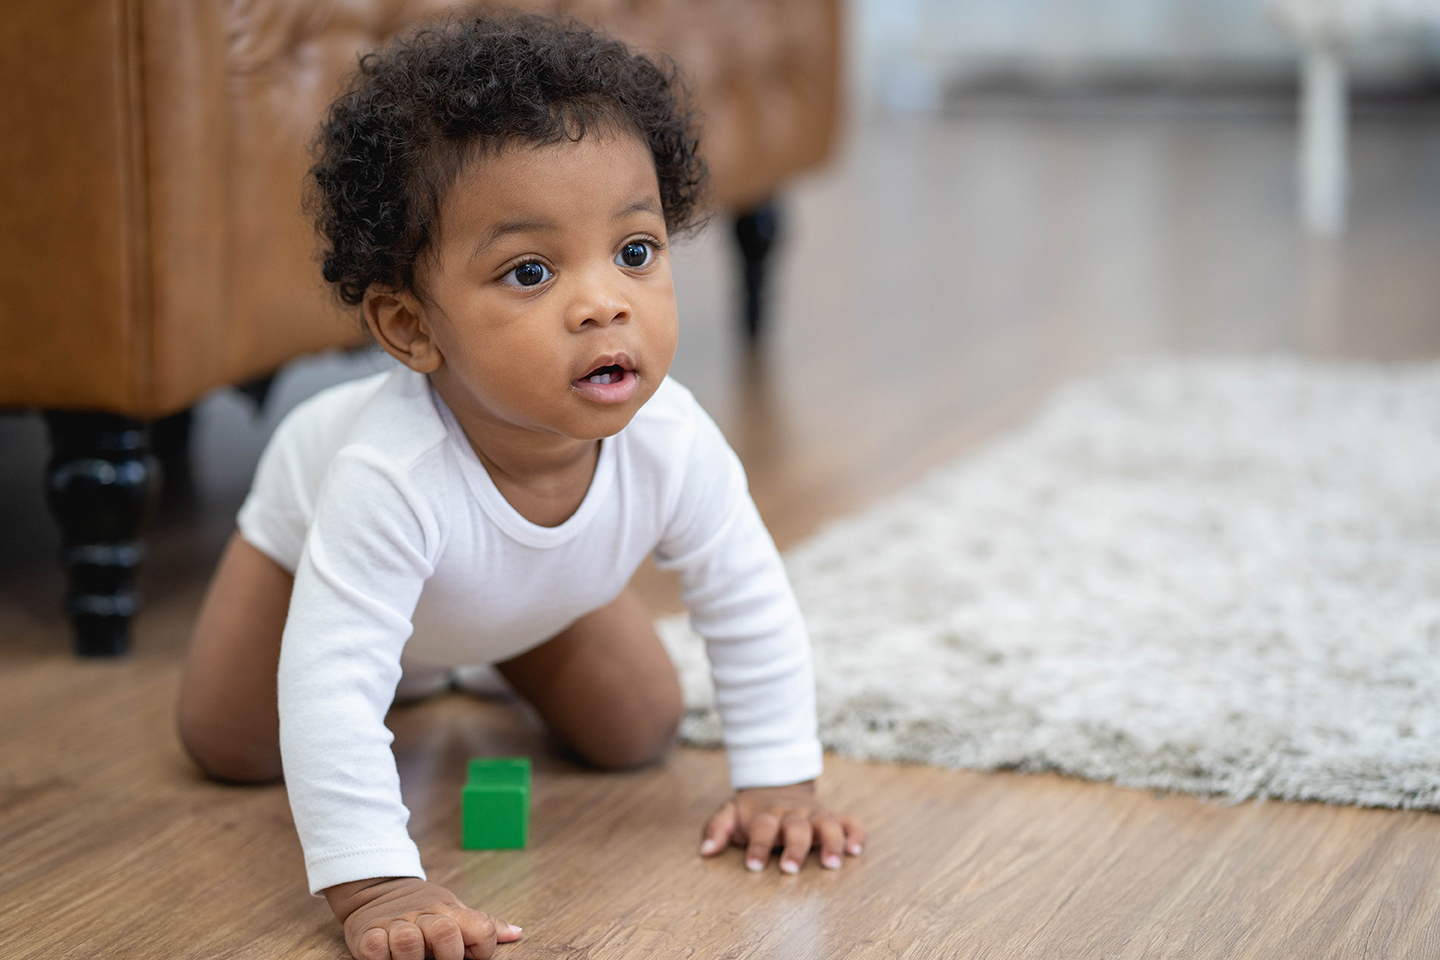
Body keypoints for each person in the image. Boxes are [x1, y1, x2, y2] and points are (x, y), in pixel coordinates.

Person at [176, 12, 865, 960]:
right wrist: (377, 884)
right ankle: (429, 663)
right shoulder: (389, 474)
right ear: (412, 328)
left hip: (522, 592)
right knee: (233, 745)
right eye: (532, 271)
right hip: (311, 558)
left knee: (639, 727)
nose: (604, 302)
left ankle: (469, 655)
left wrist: (782, 782)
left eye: (635, 251)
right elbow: (330, 689)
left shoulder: (674, 438)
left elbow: (749, 601)